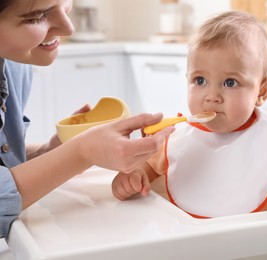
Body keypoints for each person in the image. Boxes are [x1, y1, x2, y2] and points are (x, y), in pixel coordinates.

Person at [111, 11, 267, 218]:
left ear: (262, 91)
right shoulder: (174, 136)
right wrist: (133, 178)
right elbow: (147, 167)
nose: (212, 96)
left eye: (230, 82)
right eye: (200, 81)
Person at [0, 0, 174, 237]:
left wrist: (50, 152)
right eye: (36, 17)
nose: (69, 28)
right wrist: (80, 153)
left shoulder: (15, 64)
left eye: (64, 2)